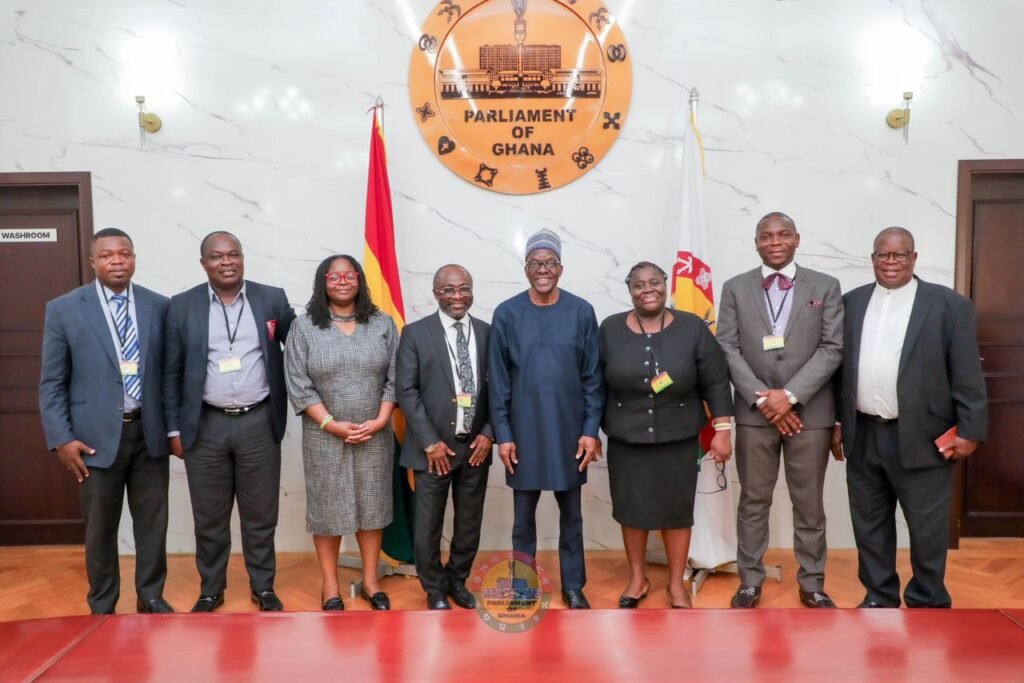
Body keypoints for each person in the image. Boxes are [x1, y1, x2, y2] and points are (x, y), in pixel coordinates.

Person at [833, 227, 987, 608]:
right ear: (872, 259)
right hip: (864, 432)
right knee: (869, 524)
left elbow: (967, 373)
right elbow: (839, 371)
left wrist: (970, 430)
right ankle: (879, 595)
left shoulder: (949, 306)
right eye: (883, 255)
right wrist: (838, 422)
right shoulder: (851, 303)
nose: (891, 262)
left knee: (927, 527)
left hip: (924, 434)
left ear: (914, 259)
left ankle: (928, 598)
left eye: (899, 255)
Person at [39, 227, 173, 614]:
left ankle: (151, 595)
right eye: (109, 255)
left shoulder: (159, 305)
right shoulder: (64, 308)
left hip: (149, 434)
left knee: (152, 525)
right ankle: (102, 604)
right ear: (93, 261)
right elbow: (52, 381)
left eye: (125, 253)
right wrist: (62, 439)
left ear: (134, 259)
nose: (118, 260)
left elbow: (169, 374)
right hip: (93, 440)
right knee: (101, 529)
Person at [163, 230, 296, 612]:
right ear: (204, 263)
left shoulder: (271, 298)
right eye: (217, 256)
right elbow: (172, 373)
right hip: (205, 426)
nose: (227, 262)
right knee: (209, 517)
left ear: (242, 258)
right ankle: (211, 589)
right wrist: (175, 429)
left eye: (233, 254)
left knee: (260, 514)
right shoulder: (182, 305)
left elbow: (302, 343)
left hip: (258, 421)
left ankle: (264, 587)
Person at [717, 211, 843, 609]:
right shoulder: (735, 287)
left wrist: (788, 396)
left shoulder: (825, 286)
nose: (775, 241)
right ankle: (750, 581)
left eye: (783, 234)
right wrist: (762, 397)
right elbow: (727, 347)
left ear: (797, 239)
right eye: (766, 236)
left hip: (811, 414)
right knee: (754, 501)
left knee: (809, 503)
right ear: (756, 243)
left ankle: (812, 583)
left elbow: (832, 348)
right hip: (754, 415)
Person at [599, 261, 734, 609]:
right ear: (629, 290)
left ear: (667, 285)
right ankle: (637, 579)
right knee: (631, 511)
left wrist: (721, 429)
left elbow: (716, 380)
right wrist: (589, 432)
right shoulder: (610, 328)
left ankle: (676, 585)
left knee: (677, 512)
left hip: (680, 437)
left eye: (655, 282)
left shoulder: (691, 327)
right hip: (626, 440)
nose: (648, 289)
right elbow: (594, 384)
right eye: (639, 284)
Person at [489, 228, 604, 609]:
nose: (543, 269)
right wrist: (503, 435)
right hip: (523, 436)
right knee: (523, 519)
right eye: (536, 263)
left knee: (572, 516)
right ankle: (522, 589)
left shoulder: (581, 311)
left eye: (550, 262)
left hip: (570, 435)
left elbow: (593, 378)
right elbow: (499, 381)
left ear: (561, 268)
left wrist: (590, 431)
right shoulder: (506, 313)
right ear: (525, 269)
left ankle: (574, 587)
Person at [284, 254, 398, 611]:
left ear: (360, 280)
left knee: (373, 507)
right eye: (335, 277)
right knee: (328, 510)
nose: (343, 281)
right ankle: (330, 585)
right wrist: (330, 424)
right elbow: (298, 384)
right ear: (323, 282)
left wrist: (380, 421)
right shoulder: (304, 327)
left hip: (374, 432)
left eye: (350, 275)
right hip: (323, 434)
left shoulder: (382, 323)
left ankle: (370, 581)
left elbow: (397, 377)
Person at [396, 264, 493, 610]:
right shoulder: (415, 333)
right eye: (449, 289)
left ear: (472, 290)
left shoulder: (487, 332)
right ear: (436, 292)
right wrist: (430, 443)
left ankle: (457, 580)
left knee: (469, 523)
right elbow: (406, 391)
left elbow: (499, 388)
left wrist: (489, 433)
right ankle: (434, 588)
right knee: (427, 526)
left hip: (475, 448)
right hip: (431, 450)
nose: (457, 296)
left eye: (464, 288)